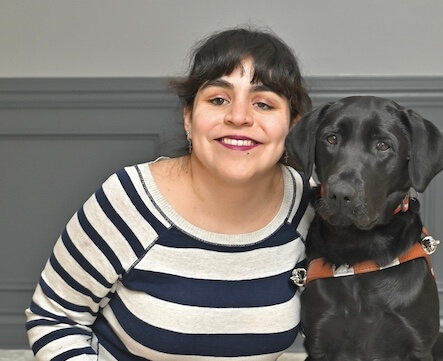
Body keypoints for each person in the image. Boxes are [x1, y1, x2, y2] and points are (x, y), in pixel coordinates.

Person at [25, 27, 314, 360]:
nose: (238, 117)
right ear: (189, 118)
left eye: (263, 104)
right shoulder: (128, 199)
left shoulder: (308, 206)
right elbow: (55, 318)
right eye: (218, 99)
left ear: (292, 127)